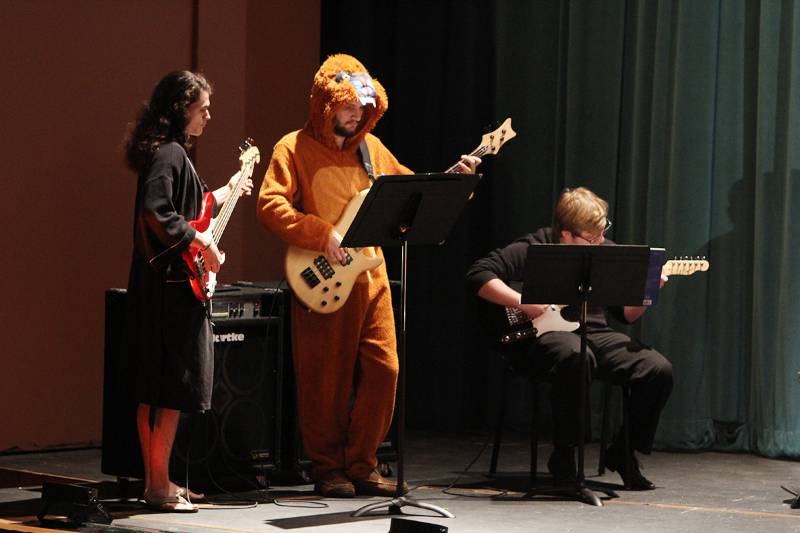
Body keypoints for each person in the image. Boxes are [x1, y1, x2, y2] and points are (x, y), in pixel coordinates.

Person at [256, 54, 480, 498]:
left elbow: (411, 193)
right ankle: (328, 468)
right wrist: (323, 234)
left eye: (362, 105)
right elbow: (271, 205)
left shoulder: (371, 149)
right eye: (347, 106)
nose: (356, 114)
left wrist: (455, 182)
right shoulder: (292, 148)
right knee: (326, 381)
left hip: (371, 280)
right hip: (321, 279)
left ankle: (362, 463)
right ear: (324, 103)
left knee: (386, 370)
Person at [465, 186, 673, 490]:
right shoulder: (534, 247)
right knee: (576, 357)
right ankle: (565, 457)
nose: (600, 242)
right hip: (543, 338)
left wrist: (648, 291)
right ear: (565, 234)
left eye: (602, 233)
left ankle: (623, 452)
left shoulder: (608, 253)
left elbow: (626, 315)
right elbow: (478, 275)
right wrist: (524, 302)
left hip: (595, 333)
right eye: (591, 238)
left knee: (656, 369)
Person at [124, 70, 253, 512]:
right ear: (182, 110)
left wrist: (228, 189)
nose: (209, 116)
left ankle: (159, 480)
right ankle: (157, 486)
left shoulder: (171, 154)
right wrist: (204, 244)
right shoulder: (170, 154)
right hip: (168, 293)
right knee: (166, 388)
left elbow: (190, 210)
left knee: (161, 389)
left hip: (167, 289)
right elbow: (158, 211)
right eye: (203, 109)